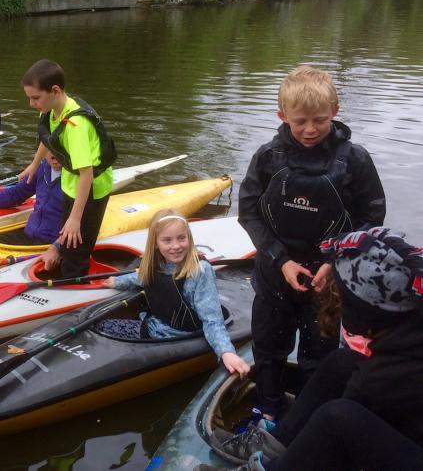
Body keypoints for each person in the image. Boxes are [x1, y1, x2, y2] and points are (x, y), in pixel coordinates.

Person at [198, 227, 423, 471]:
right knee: (342, 362)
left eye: (344, 298)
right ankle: (277, 442)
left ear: (366, 311)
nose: (337, 302)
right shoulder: (409, 322)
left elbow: (334, 450)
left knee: (338, 420)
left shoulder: (384, 376)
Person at [237, 65, 385, 423]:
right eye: (299, 120)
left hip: (329, 280)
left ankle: (307, 418)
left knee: (318, 356)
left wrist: (336, 261)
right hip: (276, 273)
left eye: (319, 120)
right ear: (282, 116)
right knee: (270, 350)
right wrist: (280, 260)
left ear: (334, 112)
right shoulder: (268, 158)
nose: (310, 129)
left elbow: (373, 216)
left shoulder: (355, 160)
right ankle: (267, 409)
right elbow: (249, 213)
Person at [95, 209, 250, 378]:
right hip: (154, 323)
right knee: (99, 326)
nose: (175, 246)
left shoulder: (200, 271)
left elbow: (212, 319)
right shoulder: (155, 264)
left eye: (181, 238)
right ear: (156, 243)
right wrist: (117, 281)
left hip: (173, 334)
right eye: (167, 240)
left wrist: (226, 352)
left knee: (101, 328)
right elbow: (140, 278)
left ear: (188, 239)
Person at [20, 59, 117, 279]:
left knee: (76, 247)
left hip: (91, 190)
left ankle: (75, 285)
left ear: (54, 91)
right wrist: (34, 165)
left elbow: (87, 174)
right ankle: (63, 264)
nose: (31, 103)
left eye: (35, 98)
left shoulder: (76, 126)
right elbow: (48, 137)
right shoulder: (51, 109)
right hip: (70, 184)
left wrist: (75, 218)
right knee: (66, 237)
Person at [0, 151, 64, 245]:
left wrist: (57, 248)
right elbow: (17, 193)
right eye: (51, 154)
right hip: (30, 233)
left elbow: (78, 224)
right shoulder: (41, 169)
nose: (55, 158)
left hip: (51, 243)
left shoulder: (75, 180)